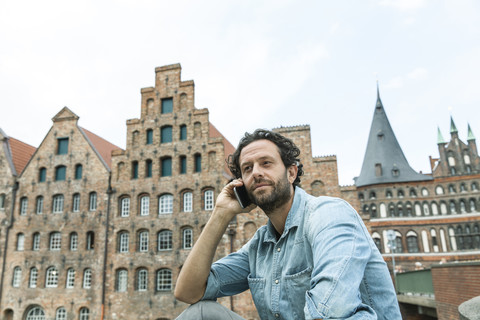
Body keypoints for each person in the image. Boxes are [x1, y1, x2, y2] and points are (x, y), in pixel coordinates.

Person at [174, 129, 402, 320]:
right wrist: (221, 213)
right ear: (241, 184)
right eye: (247, 168)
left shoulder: (329, 214)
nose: (256, 173)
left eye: (266, 163)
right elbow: (188, 291)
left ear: (291, 172)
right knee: (202, 312)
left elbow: (330, 311)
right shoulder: (259, 246)